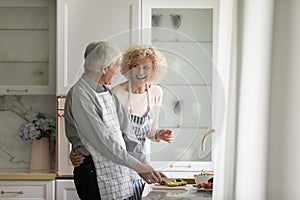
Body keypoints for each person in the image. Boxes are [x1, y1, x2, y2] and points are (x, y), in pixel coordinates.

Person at [64, 41, 165, 200]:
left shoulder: (106, 93)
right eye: (116, 66)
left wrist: (147, 166)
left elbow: (128, 135)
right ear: (104, 68)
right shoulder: (80, 94)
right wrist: (140, 167)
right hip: (93, 171)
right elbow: (103, 141)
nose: (118, 71)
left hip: (116, 171)